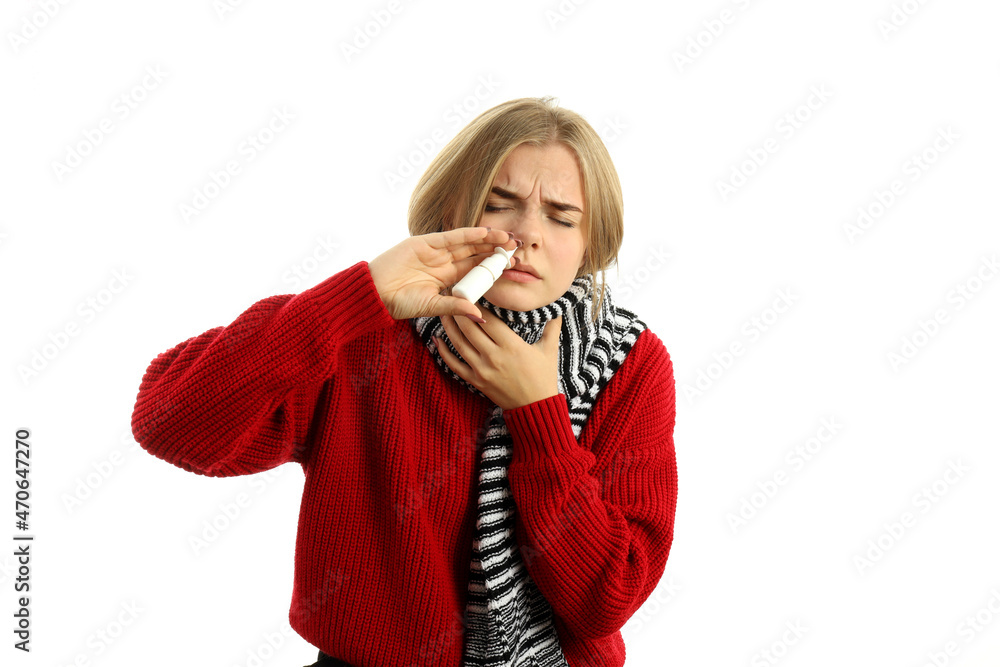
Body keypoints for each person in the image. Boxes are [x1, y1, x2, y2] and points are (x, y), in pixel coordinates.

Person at [131, 96, 677, 667]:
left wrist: (537, 413)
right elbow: (172, 425)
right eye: (499, 204)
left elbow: (605, 599)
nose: (525, 235)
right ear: (451, 209)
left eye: (562, 217)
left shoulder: (630, 362)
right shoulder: (363, 329)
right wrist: (353, 298)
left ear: (591, 242)